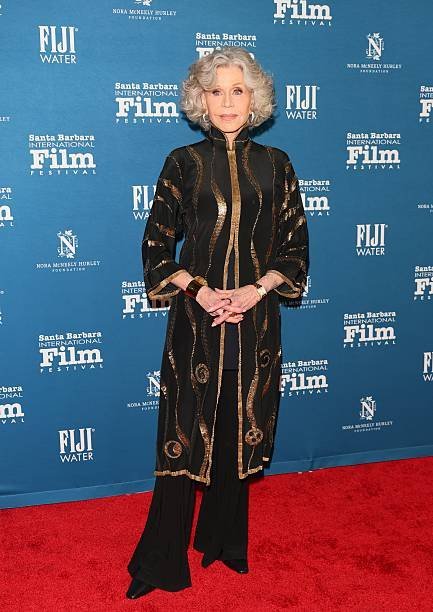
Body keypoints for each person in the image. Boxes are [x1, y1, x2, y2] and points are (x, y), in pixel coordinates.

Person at [126, 46, 309, 599]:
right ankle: (159, 562)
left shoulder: (277, 164)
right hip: (196, 322)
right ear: (200, 100)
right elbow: (156, 248)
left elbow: (295, 249)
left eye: (237, 90)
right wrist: (202, 292)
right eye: (215, 91)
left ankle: (225, 541)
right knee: (180, 438)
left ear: (255, 99)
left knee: (235, 429)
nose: (227, 102)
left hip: (255, 322)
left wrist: (255, 291)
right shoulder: (183, 162)